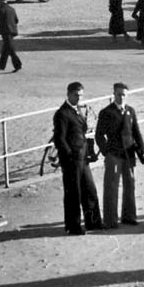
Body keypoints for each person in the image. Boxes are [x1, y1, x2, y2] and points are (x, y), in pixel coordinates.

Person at [52, 82, 103, 234]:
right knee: (73, 194)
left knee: (89, 190)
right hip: (71, 161)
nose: (78, 98)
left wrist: (89, 152)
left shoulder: (77, 111)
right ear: (68, 94)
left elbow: (82, 133)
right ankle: (73, 227)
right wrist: (68, 157)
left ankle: (93, 222)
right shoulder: (62, 114)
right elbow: (59, 139)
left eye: (81, 95)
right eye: (76, 95)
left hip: (83, 158)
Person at [94, 82, 144, 228]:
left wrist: (142, 150)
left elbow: (136, 132)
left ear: (127, 95)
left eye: (124, 94)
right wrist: (107, 152)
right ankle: (110, 220)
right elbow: (99, 135)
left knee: (130, 185)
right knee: (111, 187)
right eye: (118, 94)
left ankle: (129, 216)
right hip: (114, 155)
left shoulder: (131, 111)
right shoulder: (106, 113)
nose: (121, 97)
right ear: (114, 94)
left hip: (129, 154)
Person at [0, 0, 21, 72]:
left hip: (5, 31)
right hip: (12, 31)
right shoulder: (12, 9)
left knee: (10, 49)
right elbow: (16, 20)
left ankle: (17, 65)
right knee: (6, 48)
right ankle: (1, 65)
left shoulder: (1, 9)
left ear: (1, 1)